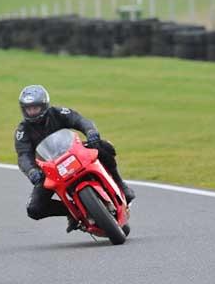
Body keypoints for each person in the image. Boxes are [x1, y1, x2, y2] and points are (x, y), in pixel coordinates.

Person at [14, 84, 136, 232]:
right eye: (28, 108)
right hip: (50, 169)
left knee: (104, 147)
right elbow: (23, 156)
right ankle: (72, 212)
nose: (32, 112)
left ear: (44, 105)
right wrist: (32, 171)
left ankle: (120, 184)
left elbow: (79, 120)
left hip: (74, 153)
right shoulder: (22, 131)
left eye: (36, 108)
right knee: (34, 209)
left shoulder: (58, 112)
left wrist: (90, 131)